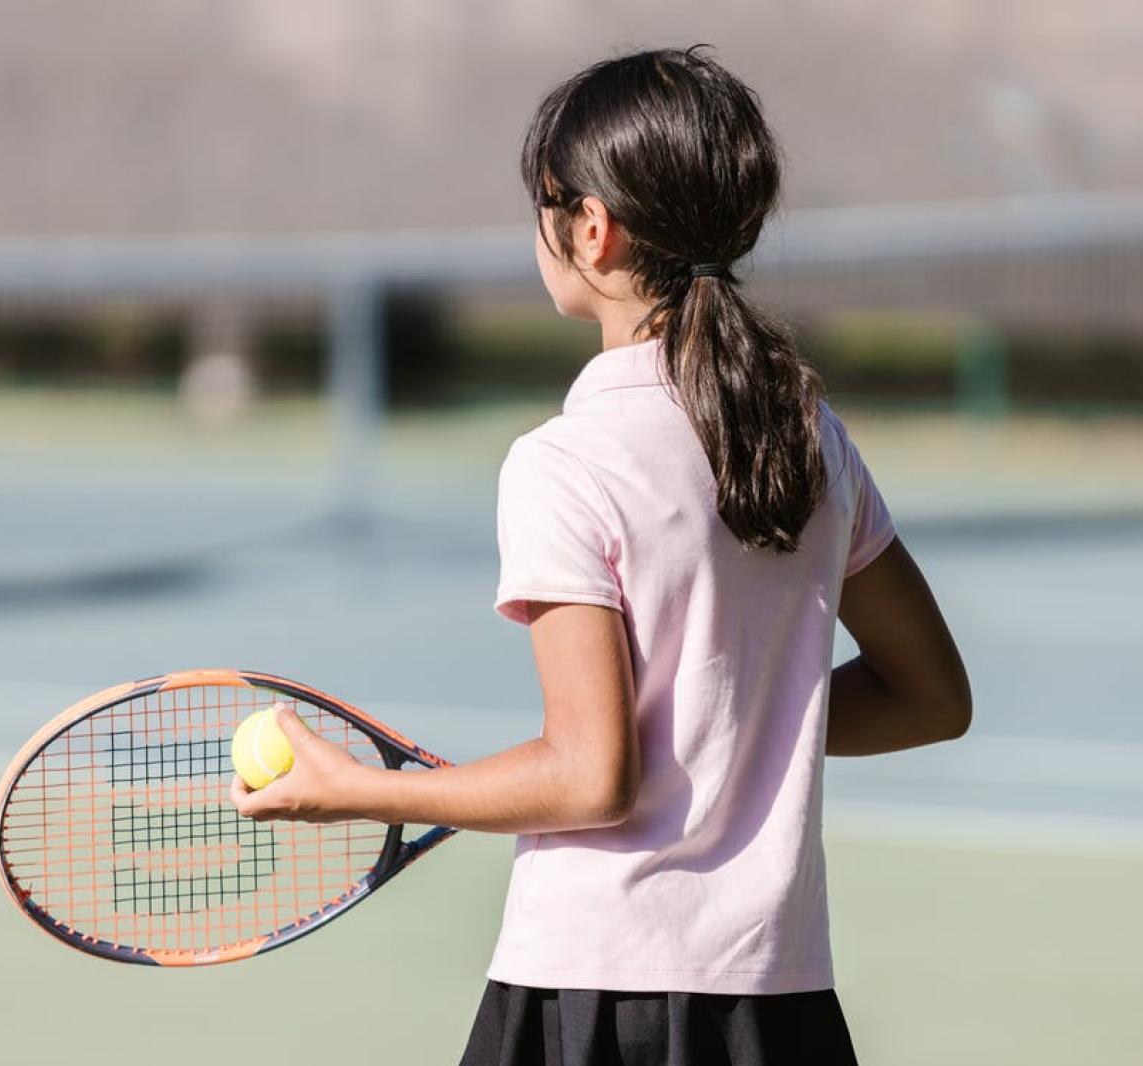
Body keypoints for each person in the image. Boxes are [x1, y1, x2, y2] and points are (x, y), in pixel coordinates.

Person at [232, 45, 972, 1065]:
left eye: (543, 201)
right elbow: (934, 697)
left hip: (594, 995)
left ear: (590, 228)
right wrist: (738, 728)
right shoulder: (809, 436)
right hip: (779, 998)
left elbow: (589, 777)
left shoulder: (562, 464)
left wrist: (358, 788)